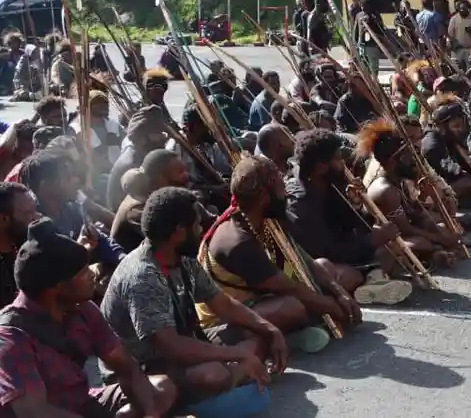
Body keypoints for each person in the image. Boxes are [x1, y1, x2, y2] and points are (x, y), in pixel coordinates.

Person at [101, 188, 285, 404]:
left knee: (258, 333)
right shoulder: (143, 277)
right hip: (143, 368)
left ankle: (239, 376)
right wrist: (237, 355)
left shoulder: (182, 258)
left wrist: (270, 330)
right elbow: (170, 346)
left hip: (182, 346)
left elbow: (224, 305)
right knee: (213, 374)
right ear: (179, 232)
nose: (201, 229)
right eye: (197, 224)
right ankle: (232, 381)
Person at [0, 219, 176, 418]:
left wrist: (150, 413)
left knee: (160, 389)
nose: (92, 275)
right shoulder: (10, 336)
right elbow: (34, 413)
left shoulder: (82, 309)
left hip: (83, 403)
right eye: (83, 272)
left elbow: (126, 365)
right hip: (51, 413)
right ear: (55, 287)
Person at [198, 156, 361, 353]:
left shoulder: (266, 219)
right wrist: (333, 307)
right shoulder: (236, 242)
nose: (286, 190)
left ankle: (303, 328)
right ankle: (289, 337)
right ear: (265, 195)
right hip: (228, 320)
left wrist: (339, 293)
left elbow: (303, 259)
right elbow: (289, 288)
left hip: (265, 298)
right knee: (291, 307)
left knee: (328, 267)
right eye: (281, 185)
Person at [285, 129, 413, 303]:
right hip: (321, 262)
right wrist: (371, 241)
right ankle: (371, 281)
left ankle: (371, 283)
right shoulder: (300, 202)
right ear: (321, 167)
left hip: (344, 251)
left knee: (390, 248)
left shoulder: (332, 183)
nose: (343, 164)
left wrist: (357, 205)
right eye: (337, 159)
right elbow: (325, 250)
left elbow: (352, 227)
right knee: (347, 275)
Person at [362, 119, 465, 268]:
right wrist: (440, 239)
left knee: (440, 226)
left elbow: (415, 213)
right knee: (423, 242)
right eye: (407, 157)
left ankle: (434, 254)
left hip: (404, 232)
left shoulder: (399, 181)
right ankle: (429, 255)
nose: (413, 161)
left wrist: (432, 199)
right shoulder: (385, 190)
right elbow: (406, 229)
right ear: (392, 162)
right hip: (386, 242)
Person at [421, 96, 471, 218]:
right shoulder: (432, 145)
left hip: (450, 181)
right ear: (442, 127)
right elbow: (452, 171)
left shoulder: (449, 137)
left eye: (462, 124)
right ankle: (443, 203)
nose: (461, 129)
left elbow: (465, 163)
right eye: (456, 126)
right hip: (435, 189)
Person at [108, 106, 171, 210]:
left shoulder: (143, 157)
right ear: (142, 138)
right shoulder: (132, 164)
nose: (163, 138)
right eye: (157, 133)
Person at [0, 182, 38, 308]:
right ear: (4, 218)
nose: (35, 218)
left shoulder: (25, 248)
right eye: (28, 213)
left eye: (34, 211)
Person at [355, 0, 387, 77]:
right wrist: (355, 44)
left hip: (372, 45)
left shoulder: (375, 16)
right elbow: (355, 30)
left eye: (364, 6)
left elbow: (381, 30)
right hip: (361, 45)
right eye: (361, 5)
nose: (362, 8)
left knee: (374, 66)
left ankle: (375, 81)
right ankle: (367, 82)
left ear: (370, 6)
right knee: (364, 65)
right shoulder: (358, 15)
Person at [447, 0, 471, 70]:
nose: (462, 10)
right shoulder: (454, 19)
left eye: (464, 8)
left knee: (470, 70)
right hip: (457, 50)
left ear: (469, 9)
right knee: (457, 70)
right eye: (461, 9)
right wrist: (451, 44)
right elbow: (449, 34)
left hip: (470, 50)